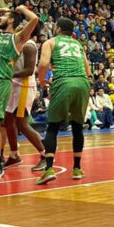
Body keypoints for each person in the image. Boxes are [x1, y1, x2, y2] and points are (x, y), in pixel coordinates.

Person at [0, 5, 39, 180]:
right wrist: (1, 8)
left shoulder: (17, 38)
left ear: (11, 20)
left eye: (3, 16)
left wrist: (22, 9)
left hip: (0, 81)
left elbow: (34, 19)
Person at [35, 17, 91, 185]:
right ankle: (77, 168)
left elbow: (43, 63)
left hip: (63, 82)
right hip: (82, 82)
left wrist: (42, 80)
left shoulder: (50, 42)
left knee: (53, 126)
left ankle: (48, 169)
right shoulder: (78, 44)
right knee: (77, 127)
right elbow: (88, 69)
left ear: (58, 28)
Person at [3, 32, 45, 171]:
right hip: (13, 86)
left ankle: (45, 154)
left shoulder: (29, 46)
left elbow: (29, 70)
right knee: (8, 121)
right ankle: (14, 155)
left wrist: (7, 74)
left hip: (24, 87)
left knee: (22, 124)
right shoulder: (14, 44)